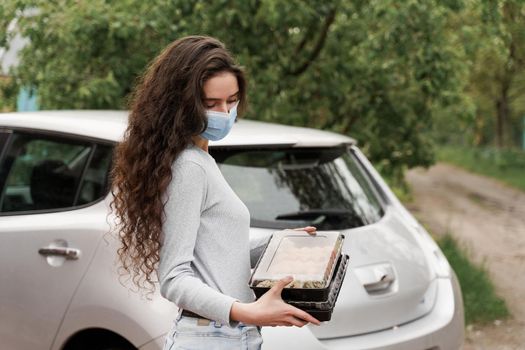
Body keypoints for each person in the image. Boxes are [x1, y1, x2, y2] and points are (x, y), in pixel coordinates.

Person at [110, 35, 321, 350]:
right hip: (212, 336)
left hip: (227, 335)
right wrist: (247, 311)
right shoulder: (190, 167)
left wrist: (276, 245)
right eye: (211, 104)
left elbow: (214, 252)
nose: (224, 112)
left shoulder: (200, 160)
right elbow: (174, 279)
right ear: (182, 103)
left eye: (232, 101)